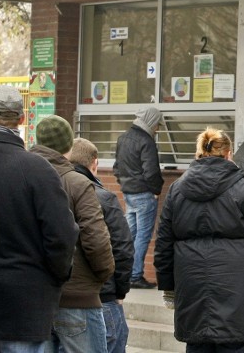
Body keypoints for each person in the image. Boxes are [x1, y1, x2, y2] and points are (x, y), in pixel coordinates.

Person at [0, 85, 79, 353]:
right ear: (22, 120)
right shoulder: (39, 170)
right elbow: (61, 235)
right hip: (26, 305)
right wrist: (55, 278)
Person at [155, 128, 244, 353]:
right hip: (241, 296)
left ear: (199, 154)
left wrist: (168, 288)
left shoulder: (177, 190)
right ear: (229, 154)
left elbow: (164, 244)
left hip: (193, 292)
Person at [32, 115, 115, 353]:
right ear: (69, 145)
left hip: (35, 298)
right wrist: (102, 275)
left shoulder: (24, 176)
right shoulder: (78, 183)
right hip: (78, 295)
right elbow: (96, 240)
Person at [69, 138, 135, 353]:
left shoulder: (55, 189)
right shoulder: (104, 198)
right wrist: (120, 291)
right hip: (101, 295)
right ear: (95, 163)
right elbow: (122, 247)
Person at [114, 106, 164, 289]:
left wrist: (124, 184)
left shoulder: (123, 138)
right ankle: (135, 276)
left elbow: (116, 167)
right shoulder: (146, 141)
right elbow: (151, 172)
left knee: (129, 235)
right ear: (151, 121)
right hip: (144, 194)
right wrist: (156, 190)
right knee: (142, 236)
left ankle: (124, 273)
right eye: (157, 124)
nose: (157, 128)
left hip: (128, 193)